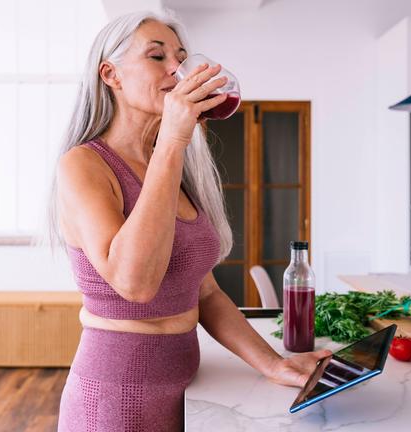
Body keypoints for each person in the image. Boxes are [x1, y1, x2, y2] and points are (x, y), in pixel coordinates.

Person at [46, 11, 331, 432]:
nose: (176, 69)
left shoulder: (171, 165)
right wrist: (174, 139)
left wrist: (274, 364)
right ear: (111, 74)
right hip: (118, 396)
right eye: (156, 56)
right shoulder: (85, 165)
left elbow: (207, 292)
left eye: (181, 58)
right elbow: (135, 283)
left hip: (186, 389)